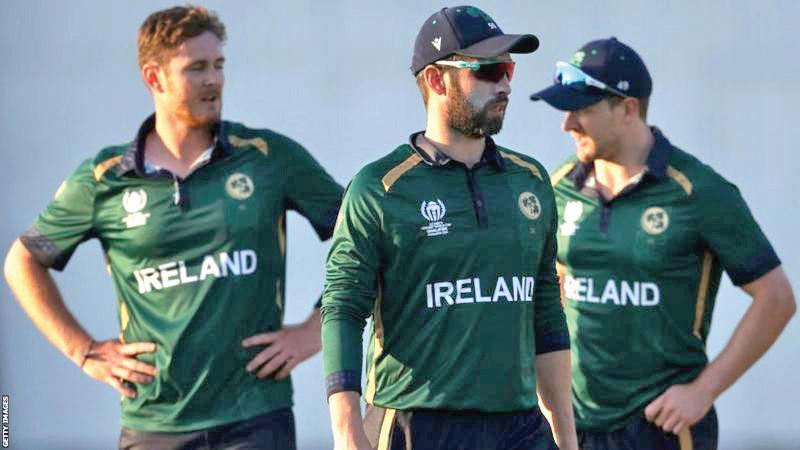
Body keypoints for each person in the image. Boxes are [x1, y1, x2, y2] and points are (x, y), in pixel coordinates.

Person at [3, 5, 343, 449]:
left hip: (255, 417)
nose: (213, 80)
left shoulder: (267, 157)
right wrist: (82, 350)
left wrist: (315, 330)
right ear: (154, 77)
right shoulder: (104, 178)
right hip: (153, 423)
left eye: (219, 65)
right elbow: (23, 261)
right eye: (196, 68)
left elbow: (369, 239)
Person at [321, 6, 578, 450]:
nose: (505, 85)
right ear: (436, 80)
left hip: (519, 427)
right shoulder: (380, 188)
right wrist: (347, 432)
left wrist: (567, 436)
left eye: (509, 70)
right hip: (418, 424)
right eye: (489, 70)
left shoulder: (530, 179)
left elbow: (546, 314)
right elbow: (343, 308)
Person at [530, 37, 796, 450]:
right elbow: (554, 289)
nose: (568, 125)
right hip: (575, 427)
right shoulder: (558, 185)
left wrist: (703, 391)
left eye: (582, 110)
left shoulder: (699, 191)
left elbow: (776, 298)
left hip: (662, 427)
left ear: (627, 109)